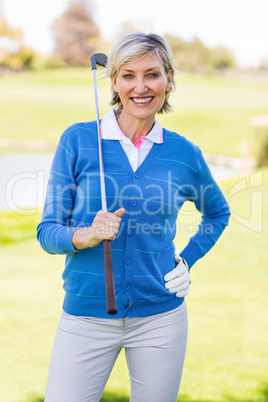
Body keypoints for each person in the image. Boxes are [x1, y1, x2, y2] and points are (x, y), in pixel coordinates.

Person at [37, 32, 230, 402]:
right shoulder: (77, 141)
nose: (140, 87)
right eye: (128, 75)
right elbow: (47, 232)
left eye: (152, 74)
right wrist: (86, 235)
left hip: (161, 318)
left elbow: (217, 213)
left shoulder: (183, 153)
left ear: (169, 79)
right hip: (86, 318)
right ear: (113, 82)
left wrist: (186, 261)